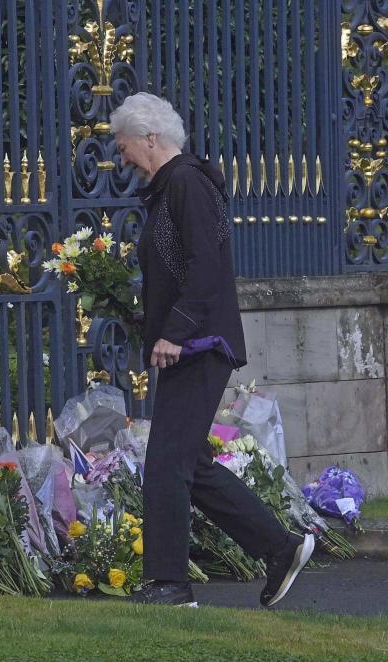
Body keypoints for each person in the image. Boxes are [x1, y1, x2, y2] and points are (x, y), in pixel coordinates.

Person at [109, 93, 314, 607]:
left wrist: (175, 331)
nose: (122, 155)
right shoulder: (174, 187)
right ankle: (280, 547)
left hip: (201, 345)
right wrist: (147, 317)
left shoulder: (187, 184)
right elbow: (182, 269)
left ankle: (170, 585)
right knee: (189, 464)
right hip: (190, 343)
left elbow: (205, 267)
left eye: (125, 144)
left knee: (166, 464)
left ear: (150, 138)